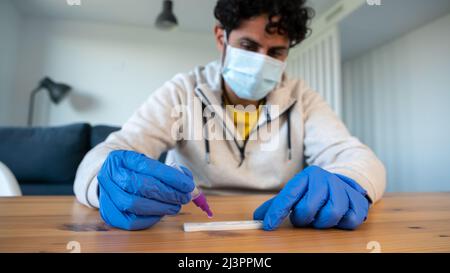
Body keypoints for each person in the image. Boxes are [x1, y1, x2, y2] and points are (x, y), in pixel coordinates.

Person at [74, 0, 386, 231]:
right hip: (194, 225)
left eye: (276, 52)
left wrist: (349, 182)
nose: (261, 62)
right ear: (221, 38)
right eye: (248, 45)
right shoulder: (183, 90)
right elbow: (114, 149)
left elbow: (356, 156)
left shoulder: (300, 96)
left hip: (275, 223)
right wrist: (104, 180)